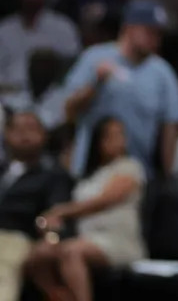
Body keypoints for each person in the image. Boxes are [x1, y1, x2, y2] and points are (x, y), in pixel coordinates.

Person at [26, 117, 147, 301]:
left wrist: (62, 212)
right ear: (97, 140)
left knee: (71, 251)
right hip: (84, 237)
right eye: (110, 136)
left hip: (117, 240)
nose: (118, 141)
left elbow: (105, 200)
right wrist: (53, 222)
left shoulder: (130, 167)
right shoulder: (87, 176)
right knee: (39, 255)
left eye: (120, 135)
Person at [62, 0, 178, 178]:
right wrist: (94, 84)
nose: (155, 39)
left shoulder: (163, 72)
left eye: (159, 34)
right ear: (129, 28)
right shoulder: (94, 58)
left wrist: (168, 177)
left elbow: (171, 125)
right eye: (149, 32)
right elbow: (68, 111)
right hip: (89, 172)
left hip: (138, 175)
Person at [0, 111, 73, 301]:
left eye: (31, 129)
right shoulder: (3, 170)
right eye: (17, 129)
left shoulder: (53, 175)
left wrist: (51, 233)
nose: (24, 135)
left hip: (16, 237)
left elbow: (56, 214)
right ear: (6, 134)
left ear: (44, 135)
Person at [0, 0, 81, 110]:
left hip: (53, 99)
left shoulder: (63, 27)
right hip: (8, 98)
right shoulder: (4, 29)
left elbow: (74, 69)